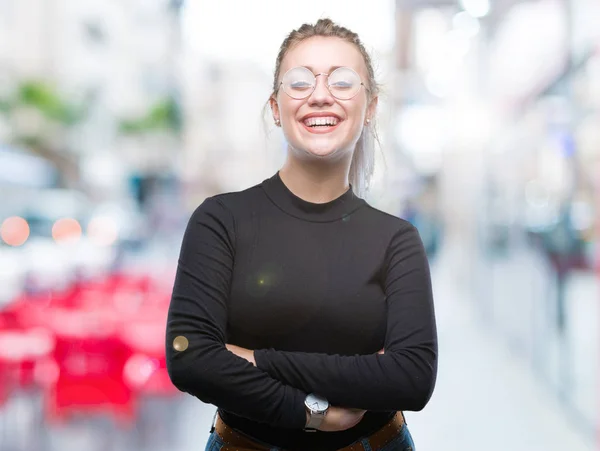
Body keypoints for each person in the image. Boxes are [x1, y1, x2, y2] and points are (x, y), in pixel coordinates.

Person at [166, 18, 437, 451]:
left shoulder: (396, 239)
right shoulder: (220, 220)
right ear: (276, 106)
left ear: (370, 107)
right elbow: (190, 357)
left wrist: (252, 358)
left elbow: (412, 377)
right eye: (300, 81)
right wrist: (314, 414)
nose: (321, 94)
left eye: (343, 81)